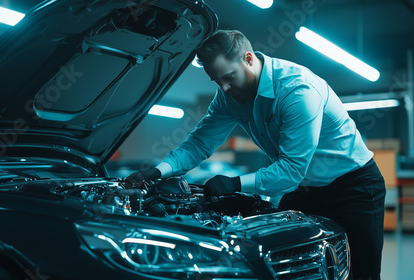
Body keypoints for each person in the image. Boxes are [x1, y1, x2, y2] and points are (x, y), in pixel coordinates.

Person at [126, 30, 385, 280]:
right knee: (289, 267)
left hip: (354, 187)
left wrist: (234, 183)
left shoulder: (297, 91)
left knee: (362, 274)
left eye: (228, 77)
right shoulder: (228, 96)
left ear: (248, 59)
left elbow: (293, 169)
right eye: (216, 80)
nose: (224, 88)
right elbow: (199, 142)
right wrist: (160, 170)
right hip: (306, 189)